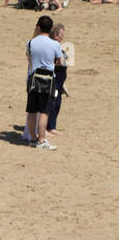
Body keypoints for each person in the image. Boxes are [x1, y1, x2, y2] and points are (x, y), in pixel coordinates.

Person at [24, 14, 62, 149]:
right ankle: (41, 140)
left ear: (38, 27)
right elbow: (59, 61)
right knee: (44, 112)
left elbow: (28, 58)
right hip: (48, 79)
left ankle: (33, 139)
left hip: (33, 78)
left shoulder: (30, 42)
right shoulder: (55, 44)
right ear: (51, 29)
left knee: (32, 111)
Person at [45, 23, 69, 137]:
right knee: (53, 103)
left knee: (57, 103)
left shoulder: (56, 45)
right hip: (55, 79)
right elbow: (57, 62)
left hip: (59, 81)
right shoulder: (53, 45)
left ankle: (52, 126)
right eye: (61, 35)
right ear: (55, 35)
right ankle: (48, 127)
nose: (62, 37)